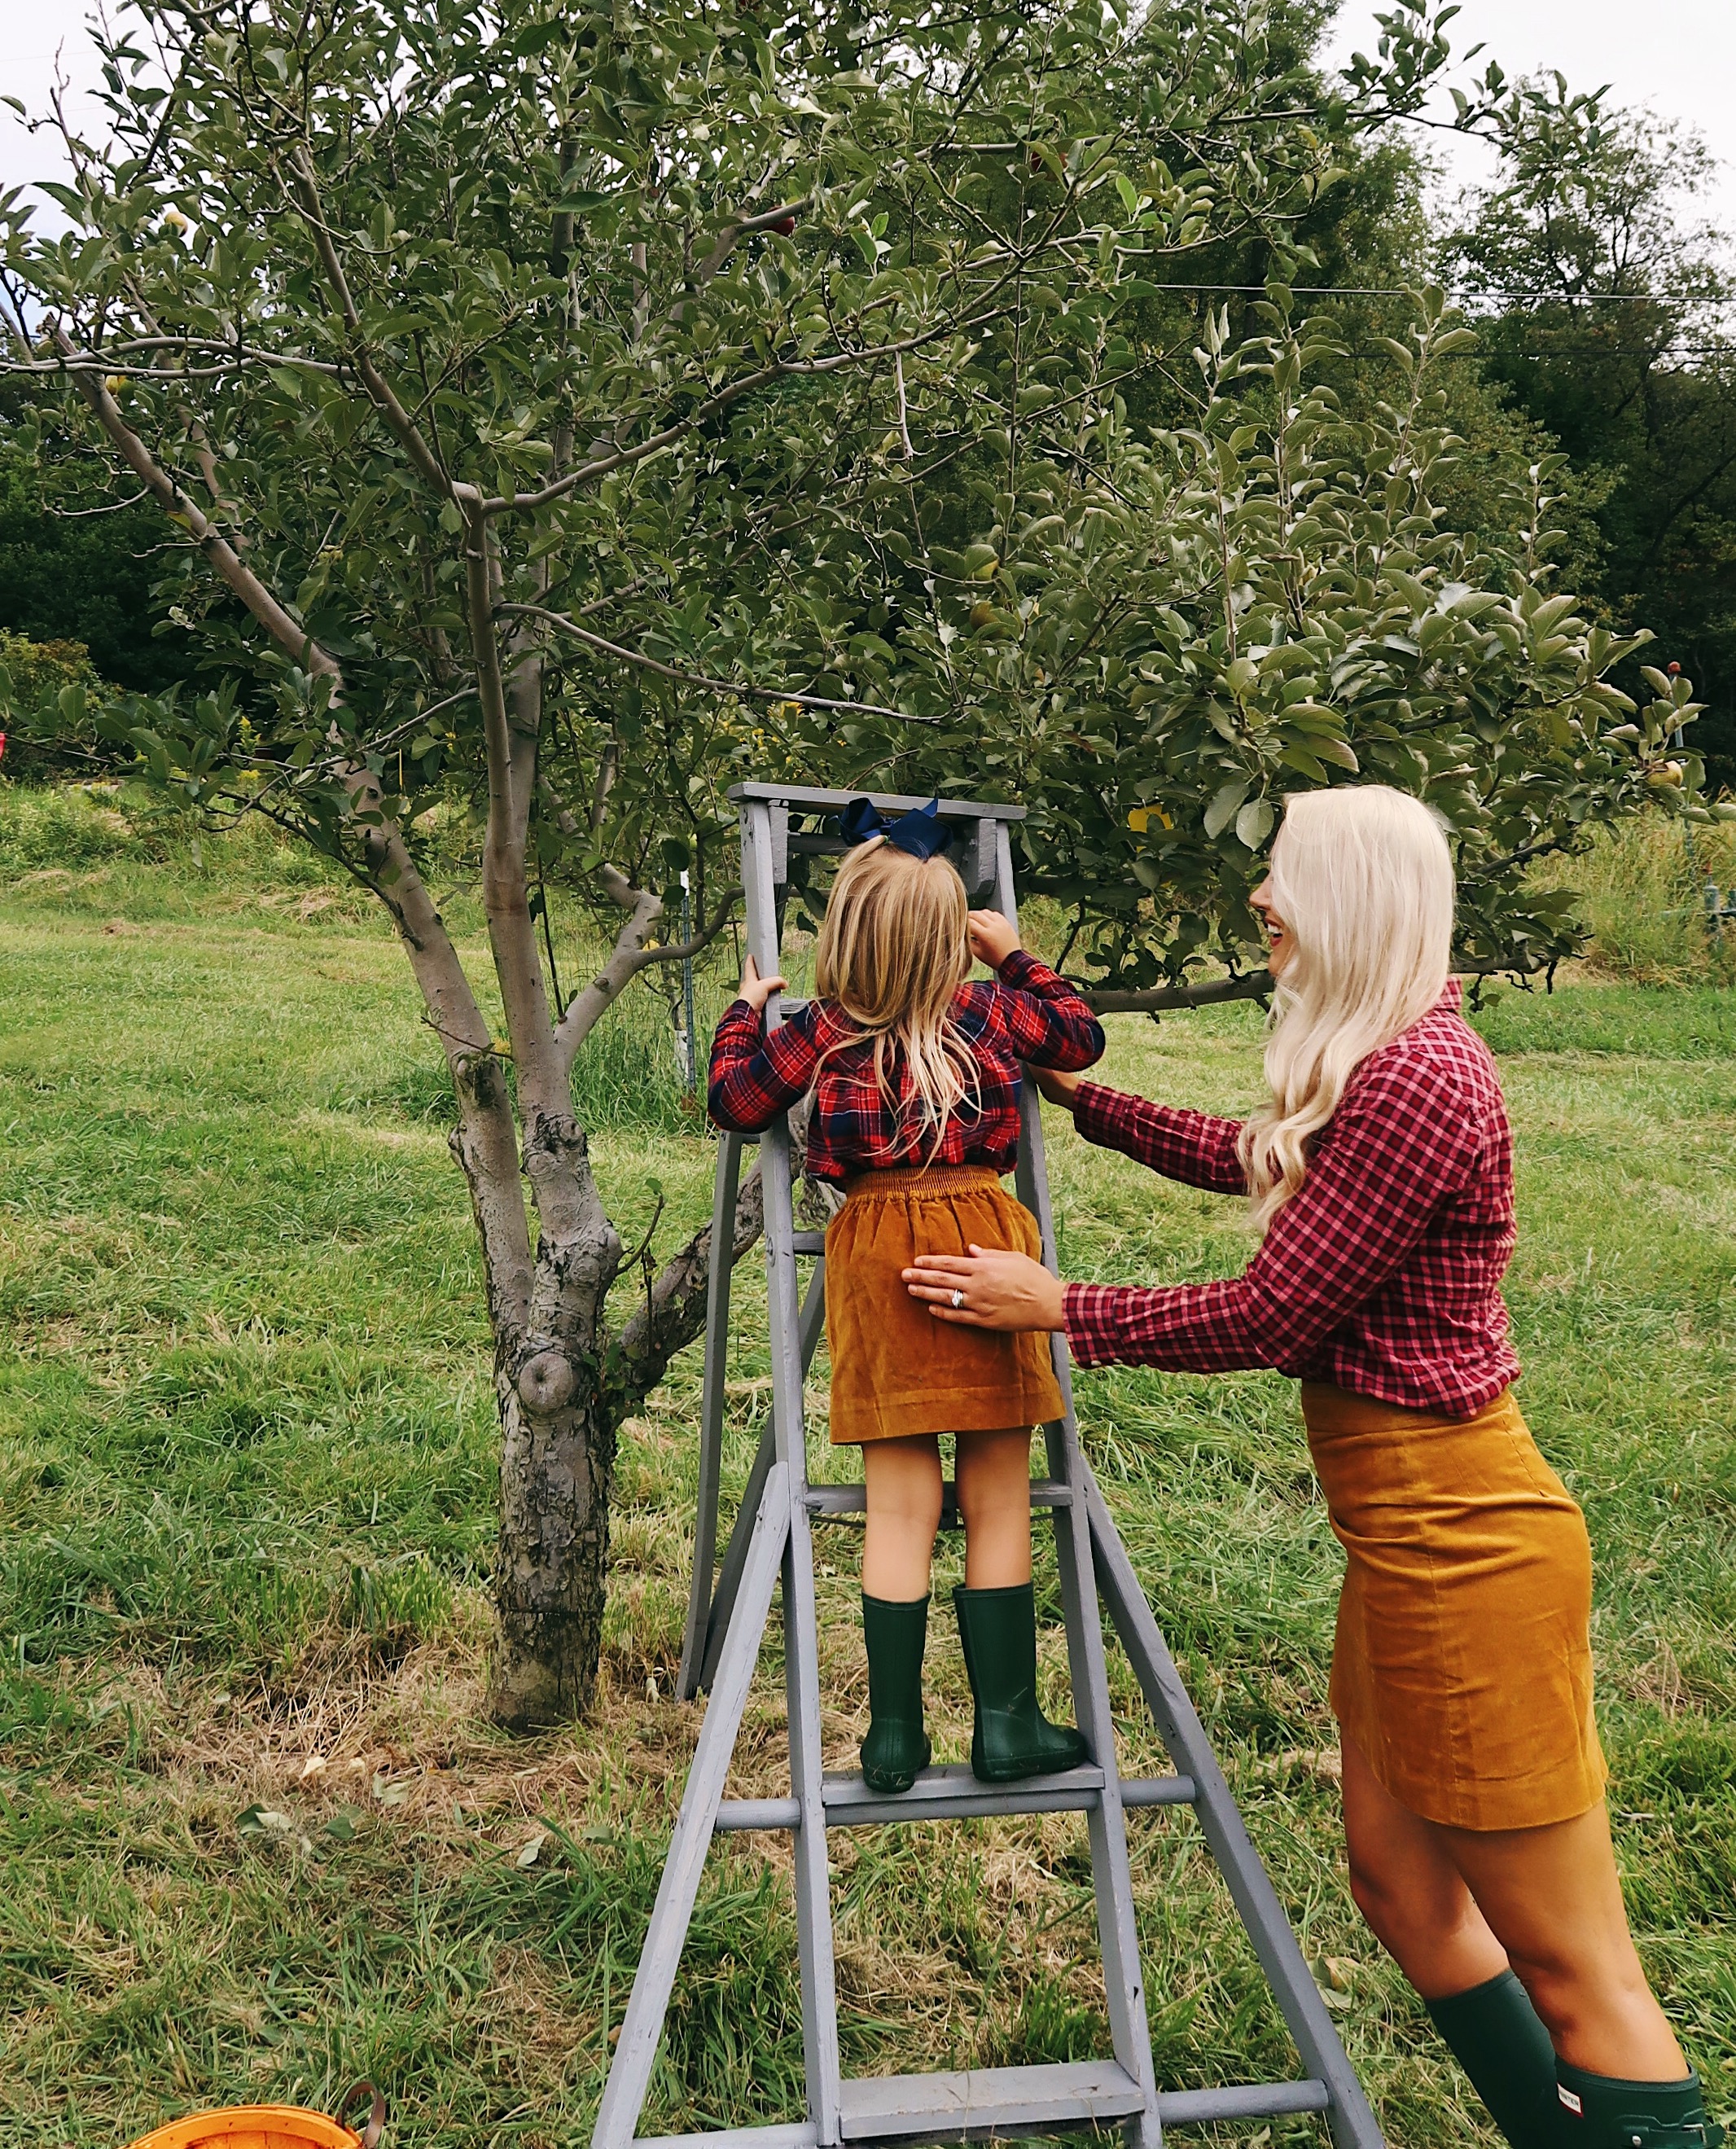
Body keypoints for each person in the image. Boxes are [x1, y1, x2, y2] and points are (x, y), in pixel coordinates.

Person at [901, 786, 1721, 2149]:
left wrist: (1057, 1305)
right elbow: (1265, 1164)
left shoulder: (1420, 1076)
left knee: (1579, 1968)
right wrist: (1085, 1101)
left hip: (1467, 1542)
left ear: (1346, 894)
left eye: (1278, 875)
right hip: (1401, 1539)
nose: (1260, 900)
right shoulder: (1383, 1060)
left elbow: (1276, 1312)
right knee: (1399, 1888)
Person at [708, 796, 1106, 1795]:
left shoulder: (821, 1032)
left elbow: (733, 1101)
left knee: (899, 1500)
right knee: (998, 1489)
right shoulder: (985, 1011)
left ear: (843, 934)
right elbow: (1080, 1035)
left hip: (873, 1251)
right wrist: (1012, 955)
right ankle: (1006, 1721)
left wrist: (745, 1010)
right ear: (949, 940)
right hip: (983, 1244)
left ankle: (892, 1734)